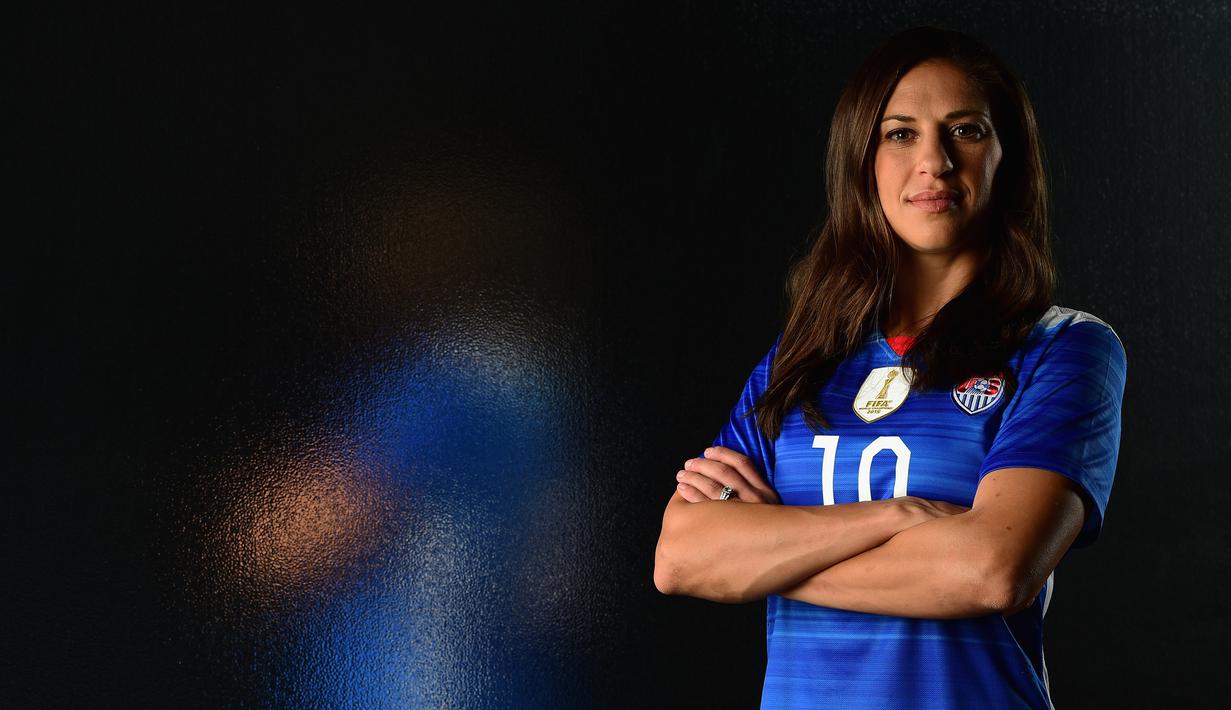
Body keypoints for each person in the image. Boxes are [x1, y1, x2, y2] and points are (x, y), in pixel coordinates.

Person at [652, 26, 1127, 710]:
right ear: (861, 160)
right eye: (899, 133)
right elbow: (680, 556)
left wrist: (766, 560)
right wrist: (892, 517)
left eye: (964, 130)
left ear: (1006, 158)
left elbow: (990, 570)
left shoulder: (1065, 349)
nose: (932, 161)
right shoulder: (799, 359)